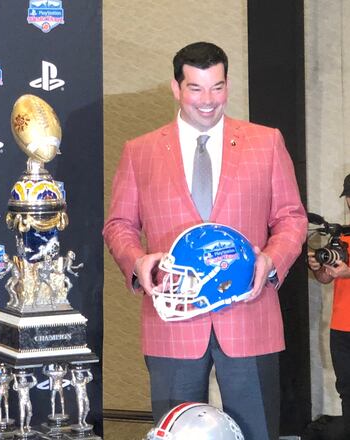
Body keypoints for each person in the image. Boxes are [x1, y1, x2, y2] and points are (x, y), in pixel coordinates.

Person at [103, 41, 307, 440]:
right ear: (176, 89)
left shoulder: (266, 142)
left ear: (228, 85)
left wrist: (271, 260)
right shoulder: (139, 151)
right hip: (171, 319)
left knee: (258, 431)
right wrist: (137, 260)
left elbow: (291, 218)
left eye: (217, 86)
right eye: (196, 88)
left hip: (249, 313)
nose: (208, 100)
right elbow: (119, 225)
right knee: (175, 434)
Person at [306, 173, 350, 439]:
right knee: (346, 389)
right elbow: (326, 278)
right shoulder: (340, 239)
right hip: (341, 329)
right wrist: (318, 269)